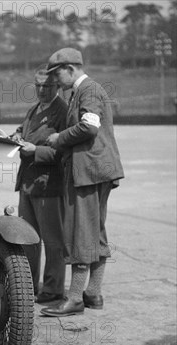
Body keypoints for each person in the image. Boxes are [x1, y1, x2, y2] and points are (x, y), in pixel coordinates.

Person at [38, 48, 124, 317]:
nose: (55, 80)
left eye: (57, 74)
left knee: (80, 234)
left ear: (70, 68)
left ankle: (74, 298)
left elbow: (89, 127)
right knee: (96, 232)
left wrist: (59, 138)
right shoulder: (83, 90)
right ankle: (93, 293)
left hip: (89, 172)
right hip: (98, 170)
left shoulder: (88, 89)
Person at [11, 67, 67, 304]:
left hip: (48, 185)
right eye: (38, 86)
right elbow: (25, 130)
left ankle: (53, 289)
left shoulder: (62, 111)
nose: (42, 90)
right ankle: (30, 285)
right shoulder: (34, 109)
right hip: (27, 183)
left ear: (57, 87)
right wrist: (15, 135)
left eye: (48, 86)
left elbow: (65, 148)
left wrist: (37, 151)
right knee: (28, 239)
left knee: (53, 240)